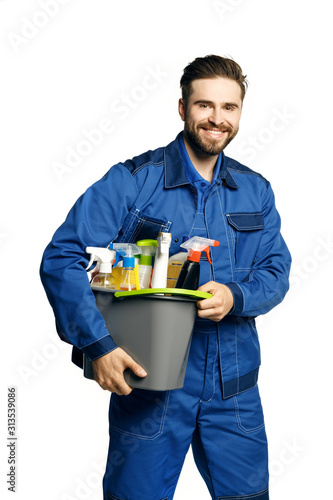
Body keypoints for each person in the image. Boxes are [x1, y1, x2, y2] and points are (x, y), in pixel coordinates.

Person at [40, 54, 291, 500]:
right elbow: (63, 258)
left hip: (233, 392)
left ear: (240, 113)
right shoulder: (133, 181)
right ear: (182, 108)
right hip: (150, 388)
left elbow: (276, 270)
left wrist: (236, 296)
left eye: (229, 108)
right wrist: (97, 345)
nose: (217, 119)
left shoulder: (256, 190)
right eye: (204, 105)